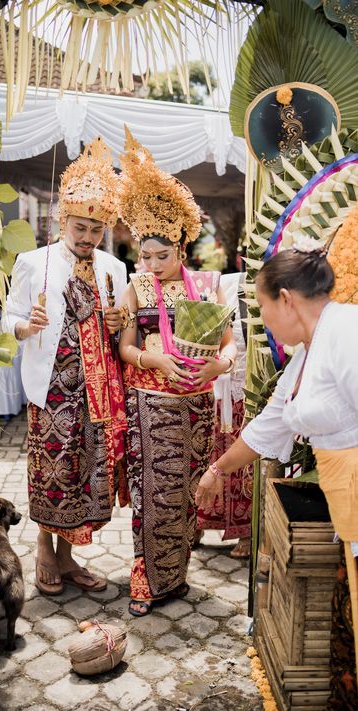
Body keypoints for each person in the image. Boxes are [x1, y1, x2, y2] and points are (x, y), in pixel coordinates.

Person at [195, 244, 358, 708]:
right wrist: (217, 470)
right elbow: (270, 425)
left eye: (264, 308)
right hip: (347, 508)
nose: (265, 321)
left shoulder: (347, 333)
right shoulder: (309, 352)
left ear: (286, 298)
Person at [118, 128, 237, 616]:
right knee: (154, 494)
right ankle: (146, 582)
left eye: (160, 256)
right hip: (151, 405)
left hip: (198, 405)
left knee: (188, 491)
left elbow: (230, 345)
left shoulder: (207, 286)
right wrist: (156, 360)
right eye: (144, 256)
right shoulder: (135, 289)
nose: (150, 265)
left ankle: (177, 575)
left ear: (181, 249)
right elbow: (125, 348)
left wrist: (217, 364)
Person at [3, 138, 128, 595]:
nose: (87, 237)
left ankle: (70, 558)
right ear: (63, 219)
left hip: (98, 389)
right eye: (80, 227)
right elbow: (10, 317)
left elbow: (122, 330)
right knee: (52, 471)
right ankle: (43, 548)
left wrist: (119, 323)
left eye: (96, 230)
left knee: (87, 473)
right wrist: (26, 326)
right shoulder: (33, 262)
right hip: (52, 386)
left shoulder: (115, 269)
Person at [196, 272, 252, 558]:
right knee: (207, 454)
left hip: (249, 390)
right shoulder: (222, 284)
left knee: (244, 464)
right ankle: (198, 523)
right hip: (216, 388)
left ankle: (246, 531)